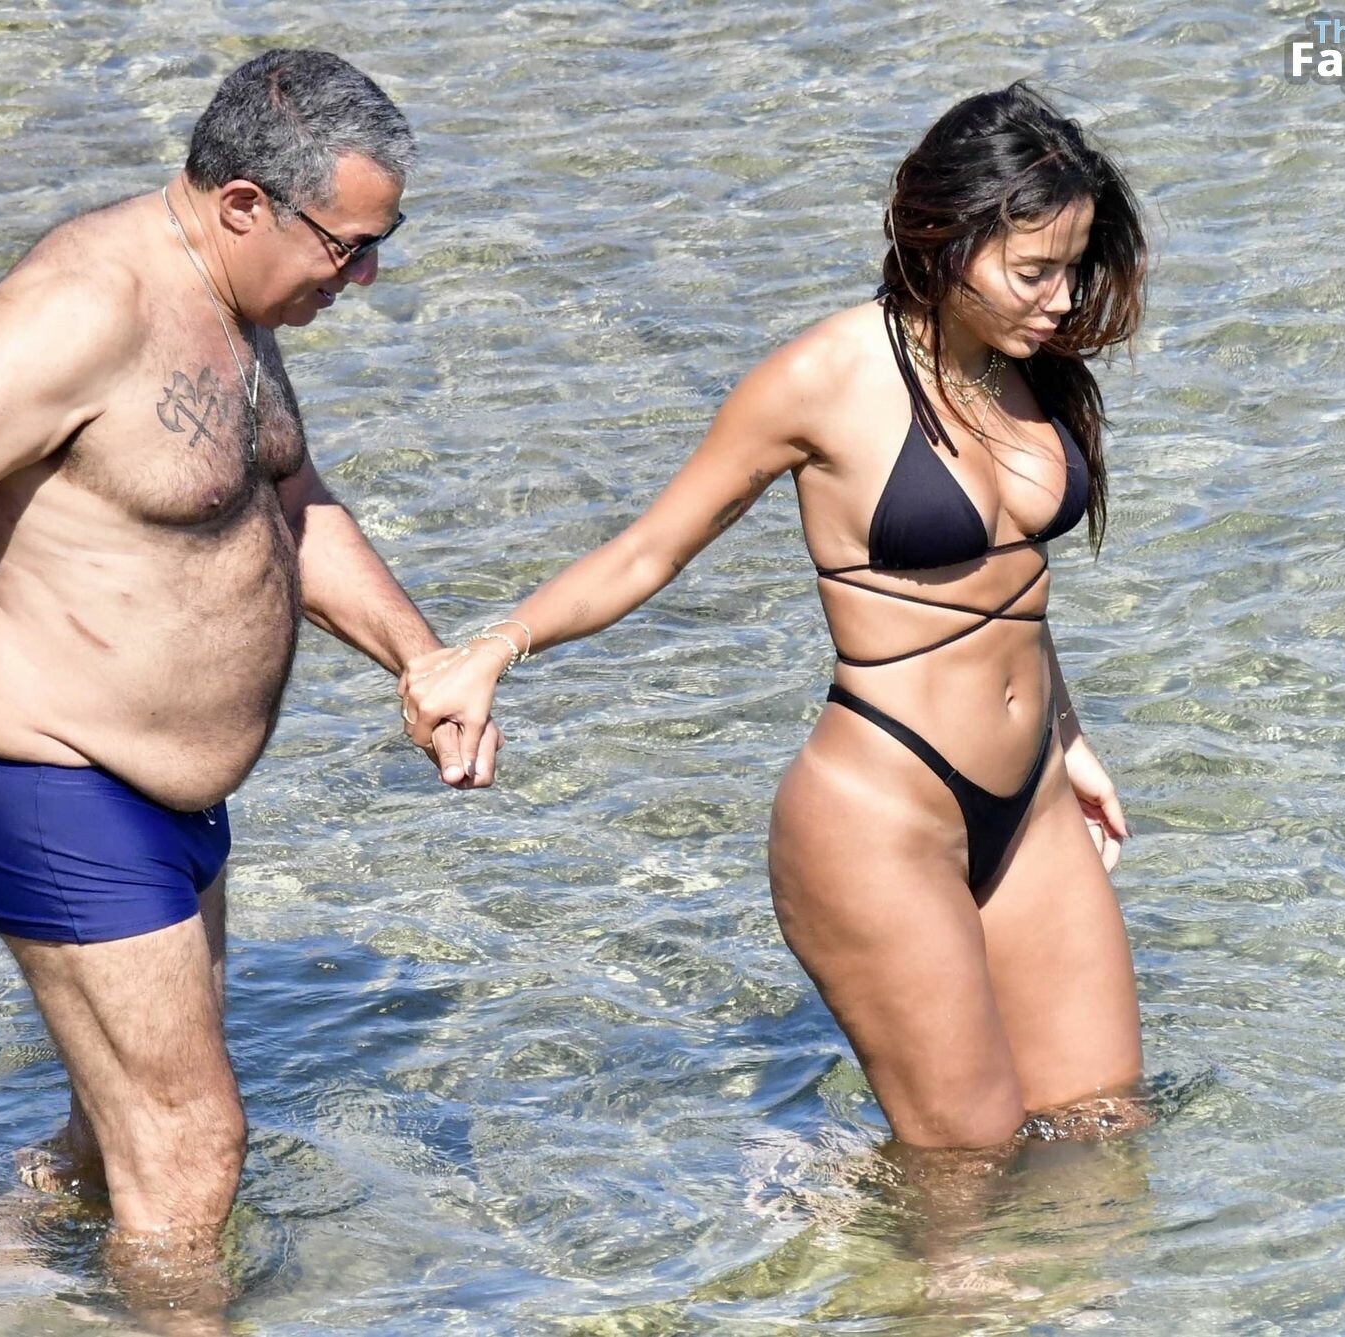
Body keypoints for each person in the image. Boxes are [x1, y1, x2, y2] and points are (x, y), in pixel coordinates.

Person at [0, 47, 499, 1310]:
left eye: (380, 243)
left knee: (120, 1133)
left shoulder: (238, 301)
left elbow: (286, 499)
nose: (363, 276)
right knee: (192, 1146)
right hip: (51, 780)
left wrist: (423, 659)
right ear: (244, 203)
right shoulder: (86, 309)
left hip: (164, 799)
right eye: (347, 247)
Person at [400, 81, 1150, 1151]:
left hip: (1029, 798)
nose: (1062, 299)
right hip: (882, 815)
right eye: (1036, 271)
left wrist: (1068, 738)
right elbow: (651, 547)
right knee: (968, 1165)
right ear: (944, 239)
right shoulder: (825, 378)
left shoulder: (1024, 369)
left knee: (1104, 1128)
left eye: (1073, 268)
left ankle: (841, 1196)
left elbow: (1008, 584)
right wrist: (493, 649)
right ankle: (829, 1218)